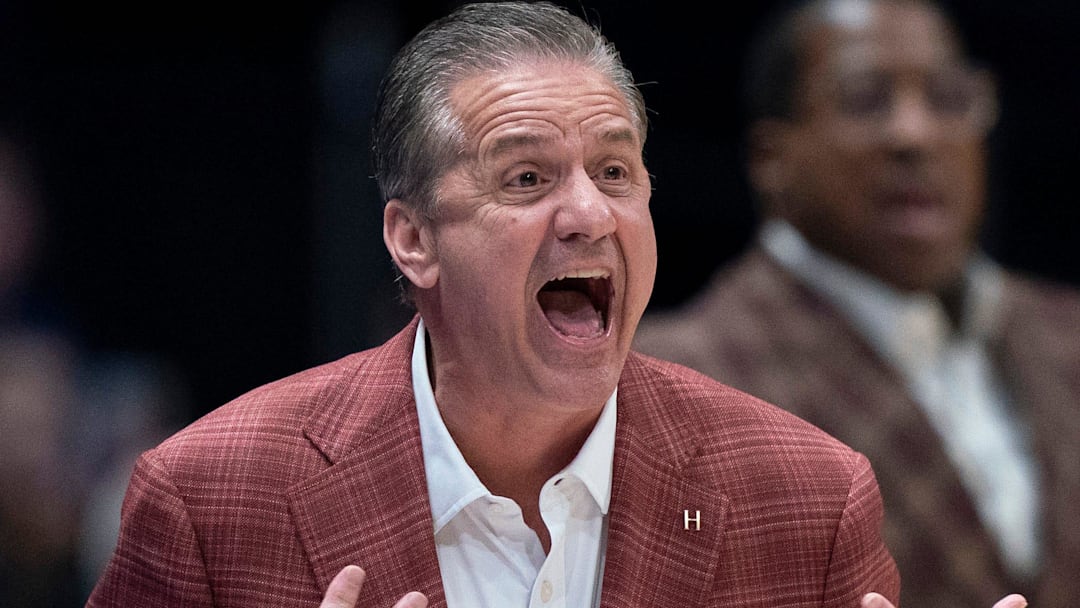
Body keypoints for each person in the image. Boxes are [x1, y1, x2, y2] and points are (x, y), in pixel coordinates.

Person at [87, 2, 1025, 607]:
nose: (589, 212)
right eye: (528, 175)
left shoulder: (809, 500)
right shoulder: (208, 500)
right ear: (413, 240)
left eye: (616, 171)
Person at [633, 0, 1080, 606]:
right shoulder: (672, 382)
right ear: (773, 158)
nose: (914, 135)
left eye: (948, 98)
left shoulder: (1065, 330)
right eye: (865, 99)